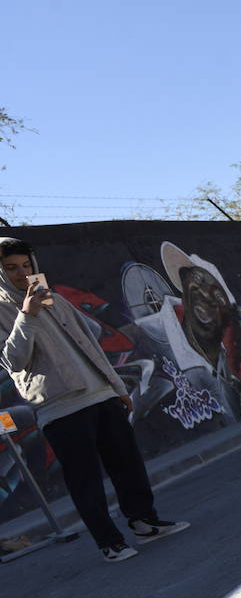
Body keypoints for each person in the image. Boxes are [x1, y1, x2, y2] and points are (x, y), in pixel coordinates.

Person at [0, 238, 189, 562]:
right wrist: (27, 316)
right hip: (58, 406)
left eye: (26, 265)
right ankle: (109, 542)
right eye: (11, 268)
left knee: (127, 464)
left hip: (99, 394)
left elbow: (89, 343)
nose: (21, 273)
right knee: (85, 480)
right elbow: (12, 361)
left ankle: (145, 521)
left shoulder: (54, 300)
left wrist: (116, 387)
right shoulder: (3, 311)